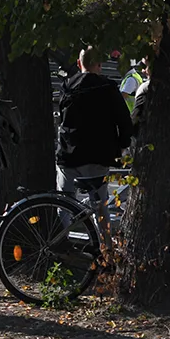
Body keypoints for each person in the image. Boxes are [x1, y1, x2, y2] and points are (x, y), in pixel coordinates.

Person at [57, 46, 133, 248]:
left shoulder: (68, 86)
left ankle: (59, 244)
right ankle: (105, 249)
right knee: (100, 205)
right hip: (97, 155)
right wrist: (123, 146)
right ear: (99, 65)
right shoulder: (107, 88)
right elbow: (124, 120)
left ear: (79, 63)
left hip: (68, 154)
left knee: (63, 202)